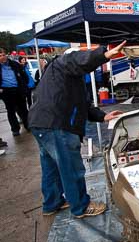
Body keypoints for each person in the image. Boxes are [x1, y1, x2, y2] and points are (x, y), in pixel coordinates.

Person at [28, 41, 126, 218]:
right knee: (71, 168)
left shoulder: (66, 78)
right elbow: (75, 60)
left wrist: (103, 116)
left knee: (51, 168)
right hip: (57, 126)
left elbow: (83, 105)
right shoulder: (63, 63)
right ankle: (80, 206)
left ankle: (52, 203)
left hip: (41, 125)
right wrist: (102, 54)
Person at [0, 48, 29, 136]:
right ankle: (15, 129)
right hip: (6, 91)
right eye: (0, 56)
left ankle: (28, 125)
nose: (2, 57)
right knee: (11, 111)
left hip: (18, 90)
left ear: (7, 55)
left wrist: (23, 86)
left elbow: (24, 77)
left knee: (23, 109)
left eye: (3, 55)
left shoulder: (15, 64)